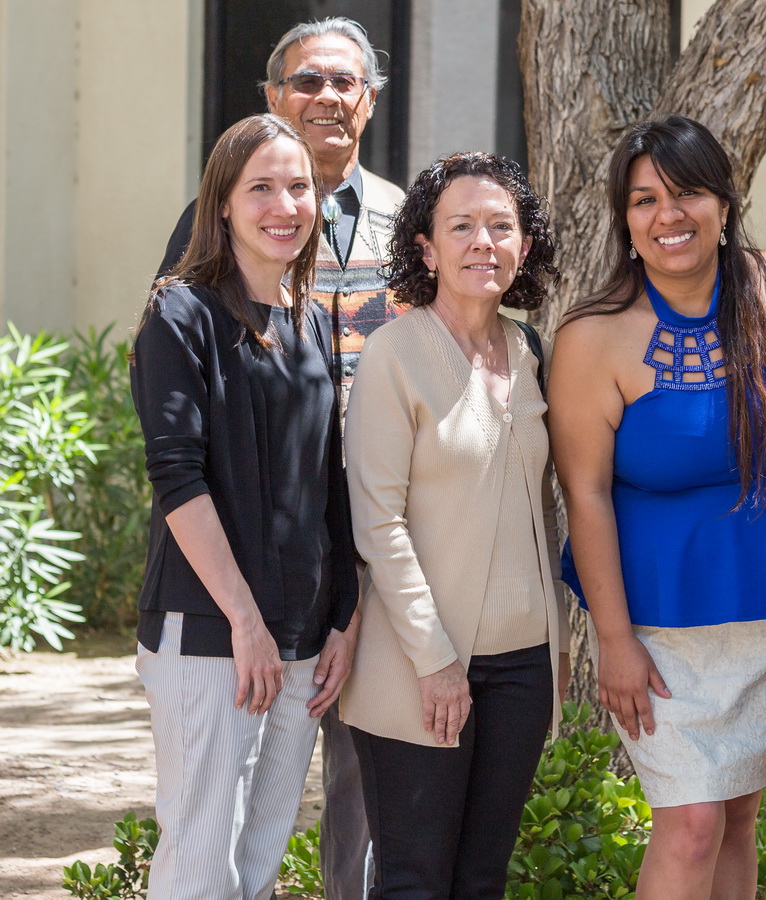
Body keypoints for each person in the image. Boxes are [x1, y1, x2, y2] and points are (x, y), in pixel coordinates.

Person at [548, 116, 766, 900]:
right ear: (624, 219)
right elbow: (583, 491)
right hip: (657, 627)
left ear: (724, 199)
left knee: (738, 814)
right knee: (688, 827)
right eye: (644, 200)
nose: (667, 215)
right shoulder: (593, 336)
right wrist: (611, 639)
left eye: (686, 193)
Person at [158, 19, 405, 895]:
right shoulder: (205, 249)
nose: (327, 98)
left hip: (369, 541)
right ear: (274, 98)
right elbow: (178, 422)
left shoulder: (411, 225)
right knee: (214, 829)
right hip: (241, 553)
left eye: (346, 83)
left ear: (370, 98)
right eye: (307, 82)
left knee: (358, 777)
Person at [130, 113, 359, 900]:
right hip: (209, 636)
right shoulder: (180, 314)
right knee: (201, 864)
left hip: (302, 643)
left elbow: (328, 485)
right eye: (260, 187)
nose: (284, 205)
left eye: (299, 187)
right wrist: (246, 623)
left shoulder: (308, 322)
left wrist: (343, 620)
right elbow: (178, 479)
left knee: (258, 866)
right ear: (221, 203)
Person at [339, 151, 569, 899]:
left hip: (522, 665)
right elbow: (378, 524)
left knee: (481, 877)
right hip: (416, 662)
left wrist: (555, 641)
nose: (483, 242)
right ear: (426, 248)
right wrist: (437, 661)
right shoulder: (392, 355)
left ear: (523, 246)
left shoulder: (532, 352)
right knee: (414, 880)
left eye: (501, 226)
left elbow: (541, 507)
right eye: (461, 226)